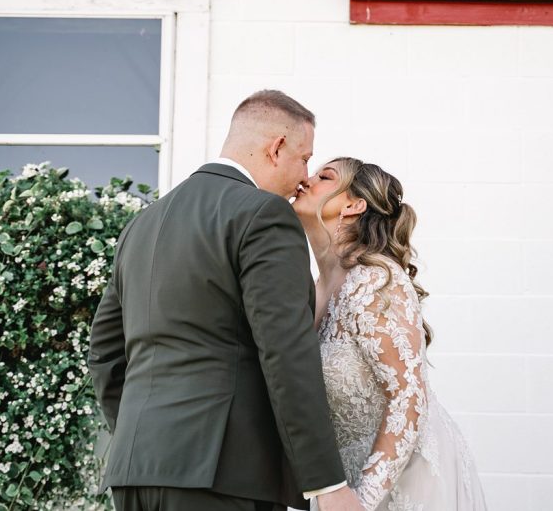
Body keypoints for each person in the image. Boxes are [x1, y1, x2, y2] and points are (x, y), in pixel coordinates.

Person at [88, 90, 364, 511]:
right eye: (304, 158)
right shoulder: (263, 214)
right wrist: (326, 483)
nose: (303, 176)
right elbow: (286, 351)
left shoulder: (142, 224)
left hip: (135, 469)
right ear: (276, 148)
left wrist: (142, 435)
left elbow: (105, 353)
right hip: (223, 474)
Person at [292, 158, 488, 511]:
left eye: (324, 177)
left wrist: (363, 501)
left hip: (403, 482)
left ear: (353, 205)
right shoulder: (314, 288)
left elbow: (408, 398)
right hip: (345, 483)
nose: (305, 181)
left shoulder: (375, 280)